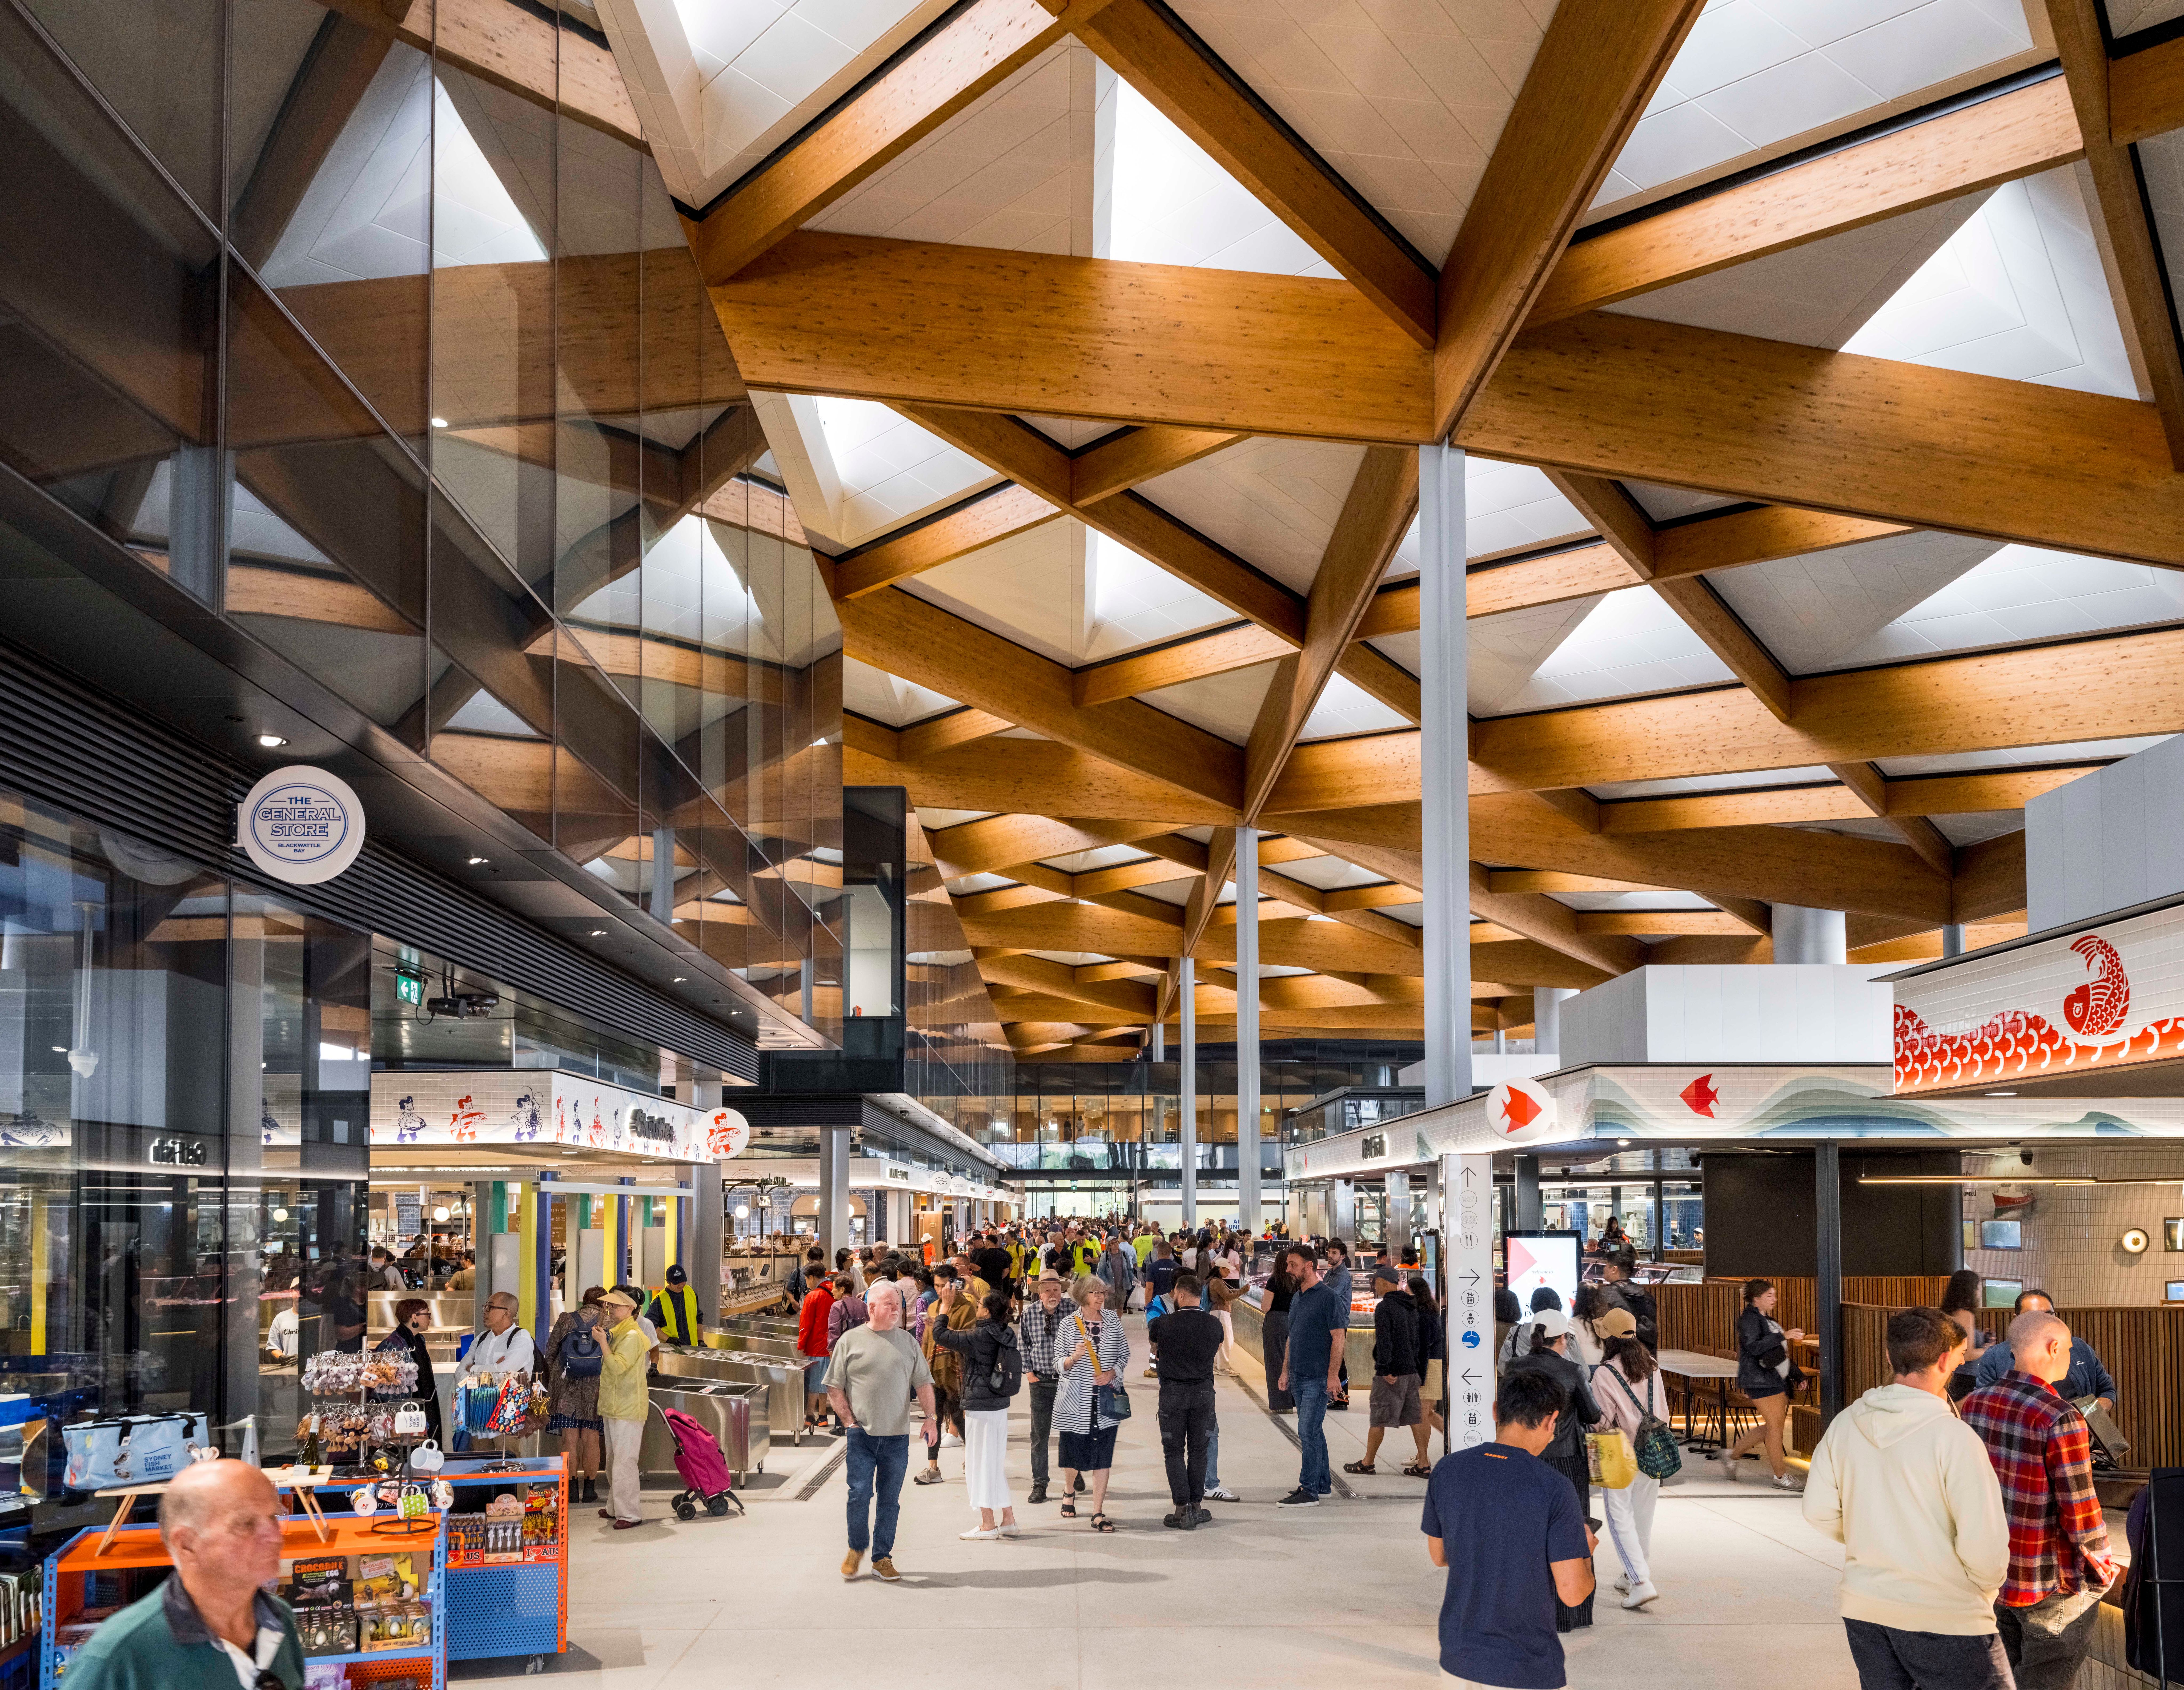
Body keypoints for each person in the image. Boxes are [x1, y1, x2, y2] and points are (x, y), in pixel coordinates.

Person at [1804, 1305, 2012, 1690]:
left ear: (1889, 1356)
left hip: (1866, 1608)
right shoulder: (1954, 1438)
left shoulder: (1847, 1423)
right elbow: (1985, 1544)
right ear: (1948, 1360)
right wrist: (1982, 1590)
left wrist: (1877, 1539)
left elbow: (1817, 1511)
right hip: (1948, 1614)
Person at [1962, 1309, 2119, 1690]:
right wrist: (2104, 1569)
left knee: (2007, 1677)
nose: (2070, 1356)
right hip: (2050, 1581)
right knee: (2046, 1681)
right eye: (2068, 1349)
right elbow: (2080, 1510)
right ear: (2054, 1348)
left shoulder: (1973, 1404)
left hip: (1994, 1573)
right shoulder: (2059, 1416)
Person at [1422, 1369, 1596, 1690]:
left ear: (1494, 1411)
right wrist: (1583, 1549)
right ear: (1551, 1420)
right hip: (1524, 1667)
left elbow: (1440, 1555)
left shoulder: (1447, 1469)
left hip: (1457, 1659)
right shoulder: (1554, 1488)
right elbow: (1572, 1594)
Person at [65, 1460, 304, 1690]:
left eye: (273, 1517)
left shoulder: (280, 1620)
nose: (274, 1537)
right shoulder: (119, 1656)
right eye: (245, 1524)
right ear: (187, 1544)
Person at [828, 1280, 937, 1583]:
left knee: (890, 1500)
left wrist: (931, 1417)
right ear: (871, 1307)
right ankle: (856, 1548)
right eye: (889, 1304)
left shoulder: (908, 1342)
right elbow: (834, 1387)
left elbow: (923, 1382)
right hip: (861, 1437)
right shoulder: (850, 1342)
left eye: (898, 1305)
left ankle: (882, 1557)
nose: (896, 1310)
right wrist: (849, 1422)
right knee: (859, 1494)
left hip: (897, 1437)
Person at [1506, 1308, 1603, 1631]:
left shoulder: (1514, 1367)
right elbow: (1591, 1414)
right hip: (1566, 1460)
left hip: (1523, 1459)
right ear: (1562, 1339)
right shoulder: (1572, 1370)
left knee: (1525, 1532)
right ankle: (1568, 1614)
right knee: (1570, 1533)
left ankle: (1527, 1611)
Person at [932, 1287, 1023, 1540]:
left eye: (980, 1304)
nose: (976, 1306)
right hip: (999, 1406)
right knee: (993, 1464)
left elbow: (941, 1335)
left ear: (986, 1311)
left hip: (980, 1408)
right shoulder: (1006, 1332)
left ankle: (987, 1525)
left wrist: (944, 1309)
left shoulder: (980, 1336)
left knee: (979, 1466)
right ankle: (1009, 1520)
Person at [1592, 1319, 1665, 1610]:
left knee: (1619, 1516)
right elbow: (1661, 1407)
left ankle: (1640, 1582)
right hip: (1654, 1447)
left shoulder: (1604, 1372)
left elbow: (1600, 1421)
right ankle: (1630, 1574)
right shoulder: (1651, 1364)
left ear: (1608, 1338)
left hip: (1617, 1452)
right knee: (1643, 1515)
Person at [1149, 1271, 1225, 1529]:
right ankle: (1197, 1506)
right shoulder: (1214, 1325)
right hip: (1204, 1393)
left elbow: (1155, 1348)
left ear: (1180, 1295)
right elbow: (1213, 1350)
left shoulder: (1161, 1324)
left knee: (1173, 1451)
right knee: (1199, 1450)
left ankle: (1181, 1509)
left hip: (1172, 1394)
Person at [1054, 1274, 1129, 1532]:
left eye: (1102, 1293)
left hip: (1106, 1401)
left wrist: (1112, 1373)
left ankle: (1097, 1511)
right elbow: (1057, 1363)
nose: (1100, 1297)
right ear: (1082, 1295)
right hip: (1075, 1400)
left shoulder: (1112, 1322)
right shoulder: (1068, 1324)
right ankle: (1068, 1490)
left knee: (1103, 1456)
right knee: (1073, 1452)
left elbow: (1124, 1354)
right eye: (1095, 1293)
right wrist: (1073, 1358)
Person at [1276, 1244, 1347, 1507]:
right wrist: (1285, 1370)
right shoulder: (1297, 1298)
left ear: (1309, 1266)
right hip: (1297, 1375)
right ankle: (1322, 1483)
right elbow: (1291, 1338)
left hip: (1317, 1377)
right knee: (1314, 1431)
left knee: (1307, 1430)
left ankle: (1309, 1490)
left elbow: (1338, 1338)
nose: (1287, 1269)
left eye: (1292, 1264)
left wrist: (1332, 1376)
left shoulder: (1328, 1297)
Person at [1720, 1277, 1803, 1489]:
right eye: (1769, 1296)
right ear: (1756, 1299)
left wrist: (1797, 1374)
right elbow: (1755, 1347)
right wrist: (1783, 1335)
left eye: (1774, 1295)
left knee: (1773, 1427)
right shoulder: (1749, 1319)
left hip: (1774, 1378)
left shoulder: (1768, 1320)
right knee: (1775, 1427)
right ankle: (1780, 1476)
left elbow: (1779, 1354)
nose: (1775, 1299)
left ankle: (1732, 1455)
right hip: (1760, 1379)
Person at [1972, 1290, 2116, 1411]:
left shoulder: (2077, 1347)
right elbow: (1986, 1403)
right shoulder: (1997, 1357)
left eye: (2048, 1315)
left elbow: (2107, 1390)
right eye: (2034, 1317)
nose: (2043, 1322)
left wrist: (2085, 1418)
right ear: (2017, 1319)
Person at [1346, 1263, 1423, 1478]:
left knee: (1379, 1417)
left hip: (1392, 1374)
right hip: (1411, 1370)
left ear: (1382, 1281)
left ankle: (1368, 1463)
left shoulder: (1385, 1308)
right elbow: (1417, 1340)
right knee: (1415, 1418)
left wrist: (1383, 1369)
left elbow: (1385, 1340)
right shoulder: (1410, 1305)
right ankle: (1424, 1463)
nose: (1375, 1286)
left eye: (1376, 1282)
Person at [544, 1286, 607, 1503]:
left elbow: (551, 1352)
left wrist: (549, 1384)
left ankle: (570, 1490)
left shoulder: (565, 1319)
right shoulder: (608, 1321)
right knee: (592, 1439)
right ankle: (590, 1490)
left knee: (569, 1440)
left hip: (566, 1385)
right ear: (604, 1303)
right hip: (596, 1387)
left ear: (583, 1301)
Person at [915, 1273, 978, 1486]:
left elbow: (970, 1339)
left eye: (944, 1286)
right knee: (933, 1418)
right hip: (934, 1372)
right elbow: (926, 1341)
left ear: (955, 1286)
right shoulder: (933, 1308)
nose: (941, 1290)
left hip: (956, 1374)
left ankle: (972, 1459)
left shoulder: (966, 1308)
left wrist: (945, 1327)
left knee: (959, 1418)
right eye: (937, 1286)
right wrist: (922, 1369)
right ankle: (933, 1467)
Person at [1018, 1269, 1074, 1504]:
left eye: (1057, 1289)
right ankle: (1040, 1483)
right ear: (1039, 1292)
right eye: (1048, 1290)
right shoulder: (1029, 1314)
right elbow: (1023, 1345)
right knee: (1040, 1436)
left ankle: (1074, 1474)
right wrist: (1029, 1374)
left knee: (1071, 1433)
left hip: (1070, 1383)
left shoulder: (1074, 1311)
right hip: (1040, 1382)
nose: (1053, 1294)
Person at [596, 1288, 650, 1528]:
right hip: (615, 1405)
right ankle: (615, 1507)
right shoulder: (619, 1333)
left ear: (631, 1309)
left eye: (617, 1306)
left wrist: (602, 1344)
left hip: (628, 1407)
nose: (611, 1310)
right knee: (614, 1460)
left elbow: (617, 1367)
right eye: (611, 1306)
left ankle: (630, 1514)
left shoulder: (632, 1337)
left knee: (625, 1461)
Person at [375, 1297, 442, 1445]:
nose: (430, 1318)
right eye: (427, 1314)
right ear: (415, 1317)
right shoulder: (392, 1344)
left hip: (422, 1405)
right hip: (403, 1413)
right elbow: (386, 1386)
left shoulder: (419, 1340)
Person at [797, 1267, 839, 1436]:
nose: (807, 1284)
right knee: (826, 1382)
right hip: (833, 1346)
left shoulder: (813, 1296)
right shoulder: (836, 1292)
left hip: (817, 1345)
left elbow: (805, 1324)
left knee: (814, 1382)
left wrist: (802, 1345)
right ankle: (823, 1416)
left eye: (807, 1280)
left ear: (812, 1277)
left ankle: (809, 1416)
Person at [1411, 1274, 1447, 1457]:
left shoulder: (1424, 1316)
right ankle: (1452, 1442)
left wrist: (1420, 1377)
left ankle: (1422, 1458)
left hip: (1428, 1367)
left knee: (1421, 1415)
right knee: (1429, 1414)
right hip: (1433, 1365)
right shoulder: (1431, 1312)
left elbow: (1423, 1348)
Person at [1262, 1251, 1297, 1414]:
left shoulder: (1274, 1281)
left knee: (1276, 1363)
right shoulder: (1297, 1282)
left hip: (1276, 1323)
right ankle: (1295, 1400)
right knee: (1291, 1362)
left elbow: (1266, 1307)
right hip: (1294, 1322)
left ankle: (1281, 1404)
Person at [1323, 1239, 1354, 1409]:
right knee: (1335, 1359)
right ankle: (1336, 1396)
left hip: (1339, 1323)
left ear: (1342, 1257)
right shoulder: (1331, 1273)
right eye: (1329, 1252)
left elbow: (1330, 1295)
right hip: (1332, 1322)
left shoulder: (1342, 1275)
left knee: (1338, 1360)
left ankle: (1342, 1399)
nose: (1330, 1255)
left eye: (1334, 1253)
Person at [1943, 1269, 1997, 1359]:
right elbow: (1967, 1354)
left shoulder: (1948, 1313)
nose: (1978, 1292)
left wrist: (1981, 1337)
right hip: (1967, 1372)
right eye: (1976, 1288)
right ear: (1970, 1291)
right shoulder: (1965, 1315)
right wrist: (1988, 1348)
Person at [648, 1264, 701, 1346]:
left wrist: (701, 1340)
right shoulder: (659, 1300)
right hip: (671, 1349)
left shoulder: (691, 1292)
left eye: (683, 1281)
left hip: (692, 1348)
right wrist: (668, 1339)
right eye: (677, 1283)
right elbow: (650, 1324)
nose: (681, 1285)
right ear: (668, 1282)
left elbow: (699, 1318)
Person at [826, 1273, 869, 1366]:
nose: (832, 1291)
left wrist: (832, 1350)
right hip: (861, 1348)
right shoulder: (863, 1305)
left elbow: (834, 1330)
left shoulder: (837, 1306)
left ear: (842, 1290)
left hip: (843, 1349)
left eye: (834, 1288)